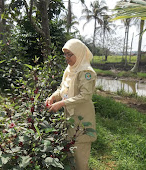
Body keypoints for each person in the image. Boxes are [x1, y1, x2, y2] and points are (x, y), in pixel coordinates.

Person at [45, 39, 97, 170]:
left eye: (70, 54)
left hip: (82, 116)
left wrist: (62, 103)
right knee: (70, 149)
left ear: (79, 54)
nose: (67, 58)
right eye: (65, 54)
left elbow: (85, 96)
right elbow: (63, 89)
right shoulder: (70, 70)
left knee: (80, 152)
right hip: (70, 115)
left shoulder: (86, 72)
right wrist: (53, 97)